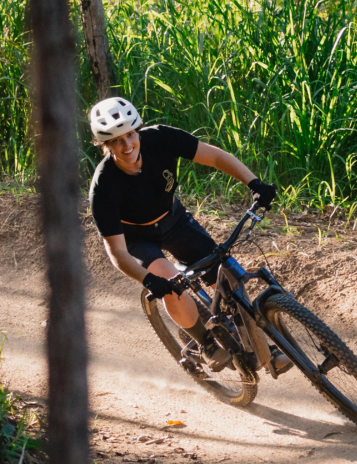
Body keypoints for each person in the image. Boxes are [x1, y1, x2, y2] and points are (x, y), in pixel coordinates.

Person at [86, 96, 277, 367]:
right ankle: (204, 342)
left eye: (130, 134)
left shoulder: (161, 138)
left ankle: (260, 348)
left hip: (173, 219)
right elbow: (117, 251)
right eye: (116, 141)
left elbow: (215, 157)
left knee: (227, 276)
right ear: (105, 146)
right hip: (137, 238)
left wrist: (254, 183)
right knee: (170, 283)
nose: (127, 145)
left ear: (138, 130)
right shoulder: (103, 186)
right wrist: (148, 280)